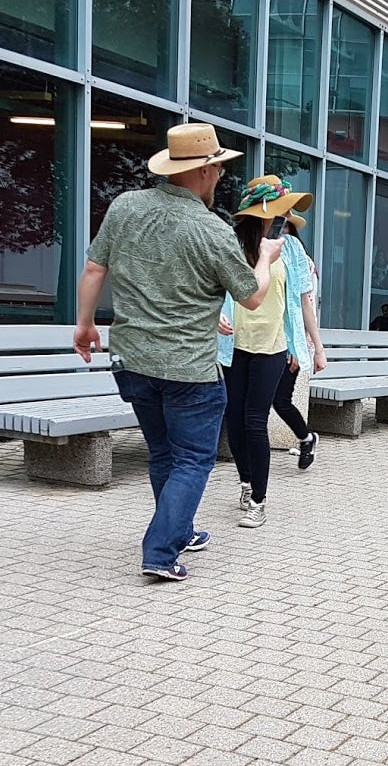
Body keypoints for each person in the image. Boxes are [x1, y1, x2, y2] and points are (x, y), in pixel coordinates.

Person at [73, 122, 282, 581]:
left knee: (163, 452)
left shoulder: (125, 206)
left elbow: (93, 268)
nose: (221, 178)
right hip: (188, 366)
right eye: (219, 170)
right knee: (192, 459)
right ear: (206, 171)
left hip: (130, 358)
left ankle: (179, 529)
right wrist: (266, 258)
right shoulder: (212, 229)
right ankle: (161, 552)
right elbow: (250, 296)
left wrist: (85, 325)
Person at [217, 175, 326, 530]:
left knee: (254, 420)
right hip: (233, 347)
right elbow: (212, 290)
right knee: (233, 418)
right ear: (261, 212)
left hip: (273, 348)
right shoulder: (231, 246)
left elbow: (302, 302)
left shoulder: (291, 249)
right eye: (278, 208)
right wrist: (214, 313)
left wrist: (315, 347)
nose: (283, 215)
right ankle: (246, 484)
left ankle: (259, 502)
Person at [270, 219, 324, 471]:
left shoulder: (299, 259)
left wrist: (307, 348)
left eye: (284, 227)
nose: (279, 233)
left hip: (291, 342)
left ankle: (306, 438)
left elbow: (305, 307)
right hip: (264, 341)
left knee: (280, 400)